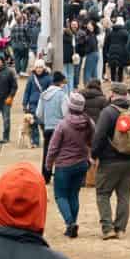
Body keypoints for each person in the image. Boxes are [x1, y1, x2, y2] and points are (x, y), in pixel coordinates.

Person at [43, 93, 92, 237]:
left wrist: (48, 164)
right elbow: (92, 141)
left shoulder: (63, 124)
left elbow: (53, 147)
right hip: (82, 163)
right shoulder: (89, 123)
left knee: (61, 195)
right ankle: (73, 224)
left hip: (64, 165)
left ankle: (70, 223)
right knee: (73, 195)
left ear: (70, 106)